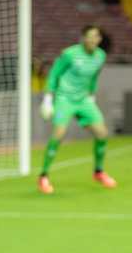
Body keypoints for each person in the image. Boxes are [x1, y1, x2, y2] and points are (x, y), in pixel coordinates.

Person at [37, 25, 117, 194]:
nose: (92, 40)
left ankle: (99, 172)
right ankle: (43, 176)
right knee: (58, 134)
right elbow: (54, 74)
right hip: (64, 98)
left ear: (99, 39)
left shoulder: (100, 56)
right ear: (82, 38)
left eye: (96, 37)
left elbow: (94, 76)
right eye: (89, 36)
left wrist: (91, 96)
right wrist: (48, 99)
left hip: (83, 100)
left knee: (102, 133)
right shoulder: (70, 54)